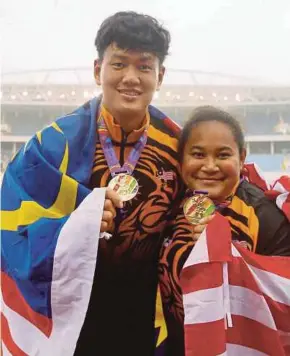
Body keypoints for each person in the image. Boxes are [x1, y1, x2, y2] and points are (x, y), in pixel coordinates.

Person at [1, 11, 193, 356]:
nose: (131, 78)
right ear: (97, 70)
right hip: (73, 320)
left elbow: (221, 204)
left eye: (144, 67)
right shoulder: (50, 146)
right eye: (119, 64)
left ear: (159, 76)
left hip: (149, 324)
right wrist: (74, 229)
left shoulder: (181, 149)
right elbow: (11, 231)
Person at [158, 105, 290, 355]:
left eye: (222, 155)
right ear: (181, 159)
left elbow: (282, 300)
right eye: (197, 154)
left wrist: (228, 254)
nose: (210, 166)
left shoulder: (265, 215)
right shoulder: (168, 208)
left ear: (241, 158)